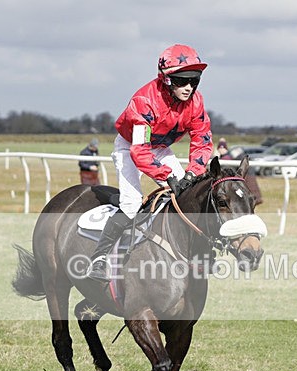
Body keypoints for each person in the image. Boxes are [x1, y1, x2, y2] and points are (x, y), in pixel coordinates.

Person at [86, 44, 213, 282]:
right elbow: (140, 151)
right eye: (182, 81)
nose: (189, 88)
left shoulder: (196, 102)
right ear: (166, 80)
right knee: (132, 204)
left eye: (194, 81)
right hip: (130, 147)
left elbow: (202, 141)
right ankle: (99, 259)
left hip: (161, 148)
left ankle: (196, 254)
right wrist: (168, 177)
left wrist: (192, 173)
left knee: (188, 196)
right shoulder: (144, 101)